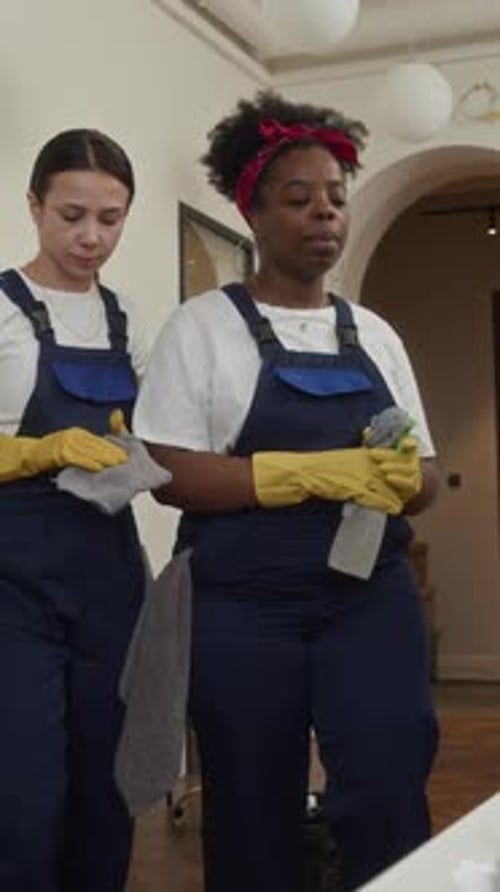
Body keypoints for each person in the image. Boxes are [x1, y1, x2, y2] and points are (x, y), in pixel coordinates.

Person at [134, 91, 439, 892]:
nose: (325, 213)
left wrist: (404, 478)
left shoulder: (375, 335)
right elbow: (168, 471)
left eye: (336, 197)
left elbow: (425, 476)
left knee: (388, 774)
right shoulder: (202, 328)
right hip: (243, 604)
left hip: (367, 596)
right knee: (250, 801)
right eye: (300, 199)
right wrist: (297, 474)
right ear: (254, 215)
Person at [0, 129, 150, 892]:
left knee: (105, 789)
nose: (91, 237)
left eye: (110, 219)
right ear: (33, 205)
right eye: (71, 216)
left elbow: (164, 434)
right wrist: (36, 451)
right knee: (23, 794)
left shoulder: (128, 320)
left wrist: (143, 454)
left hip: (109, 578)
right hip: (12, 584)